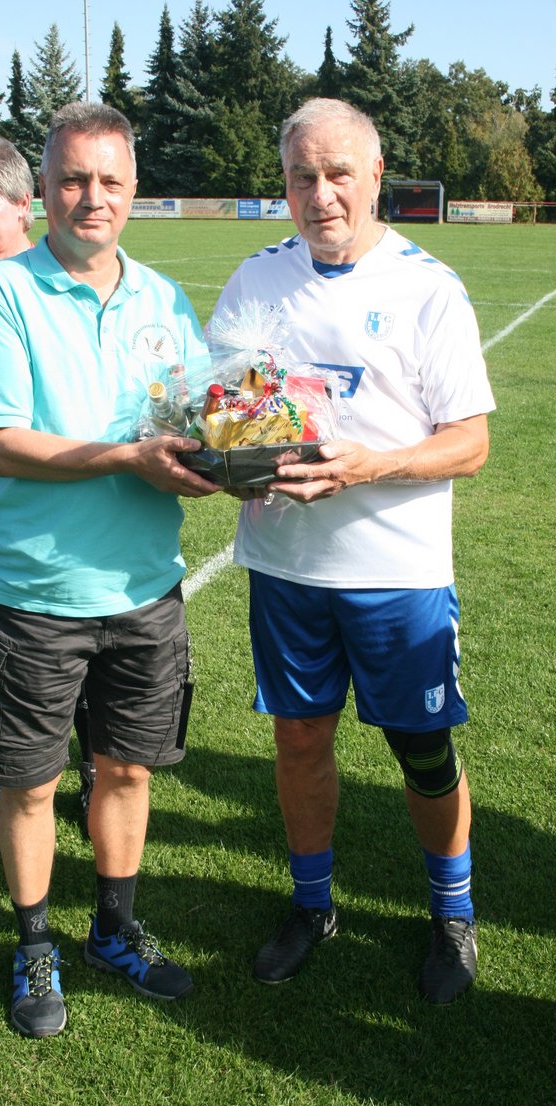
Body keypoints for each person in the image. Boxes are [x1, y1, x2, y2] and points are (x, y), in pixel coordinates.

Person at [211, 98, 495, 1005]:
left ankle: (454, 915)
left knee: (421, 747)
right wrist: (230, 466)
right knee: (300, 740)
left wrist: (372, 466)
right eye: (303, 176)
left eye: (339, 174)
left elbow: (470, 442)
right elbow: (221, 413)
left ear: (377, 178)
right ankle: (312, 904)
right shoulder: (255, 282)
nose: (321, 194)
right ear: (284, 183)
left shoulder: (428, 286)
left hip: (398, 573)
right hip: (287, 568)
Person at [0, 102, 220, 1038]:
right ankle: (34, 944)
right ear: (47, 188)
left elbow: (187, 427)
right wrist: (125, 460)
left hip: (145, 586)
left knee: (127, 772)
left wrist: (229, 464)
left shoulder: (164, 299)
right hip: (37, 592)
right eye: (73, 180)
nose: (91, 198)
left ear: (134, 188)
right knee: (27, 784)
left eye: (110, 180)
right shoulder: (2, 293)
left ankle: (114, 928)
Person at [0, 134, 96, 832]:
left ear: (21, 204)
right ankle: (20, 764)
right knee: (0, 627)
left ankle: (93, 765)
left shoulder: (60, 275)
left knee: (87, 630)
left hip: (63, 485)